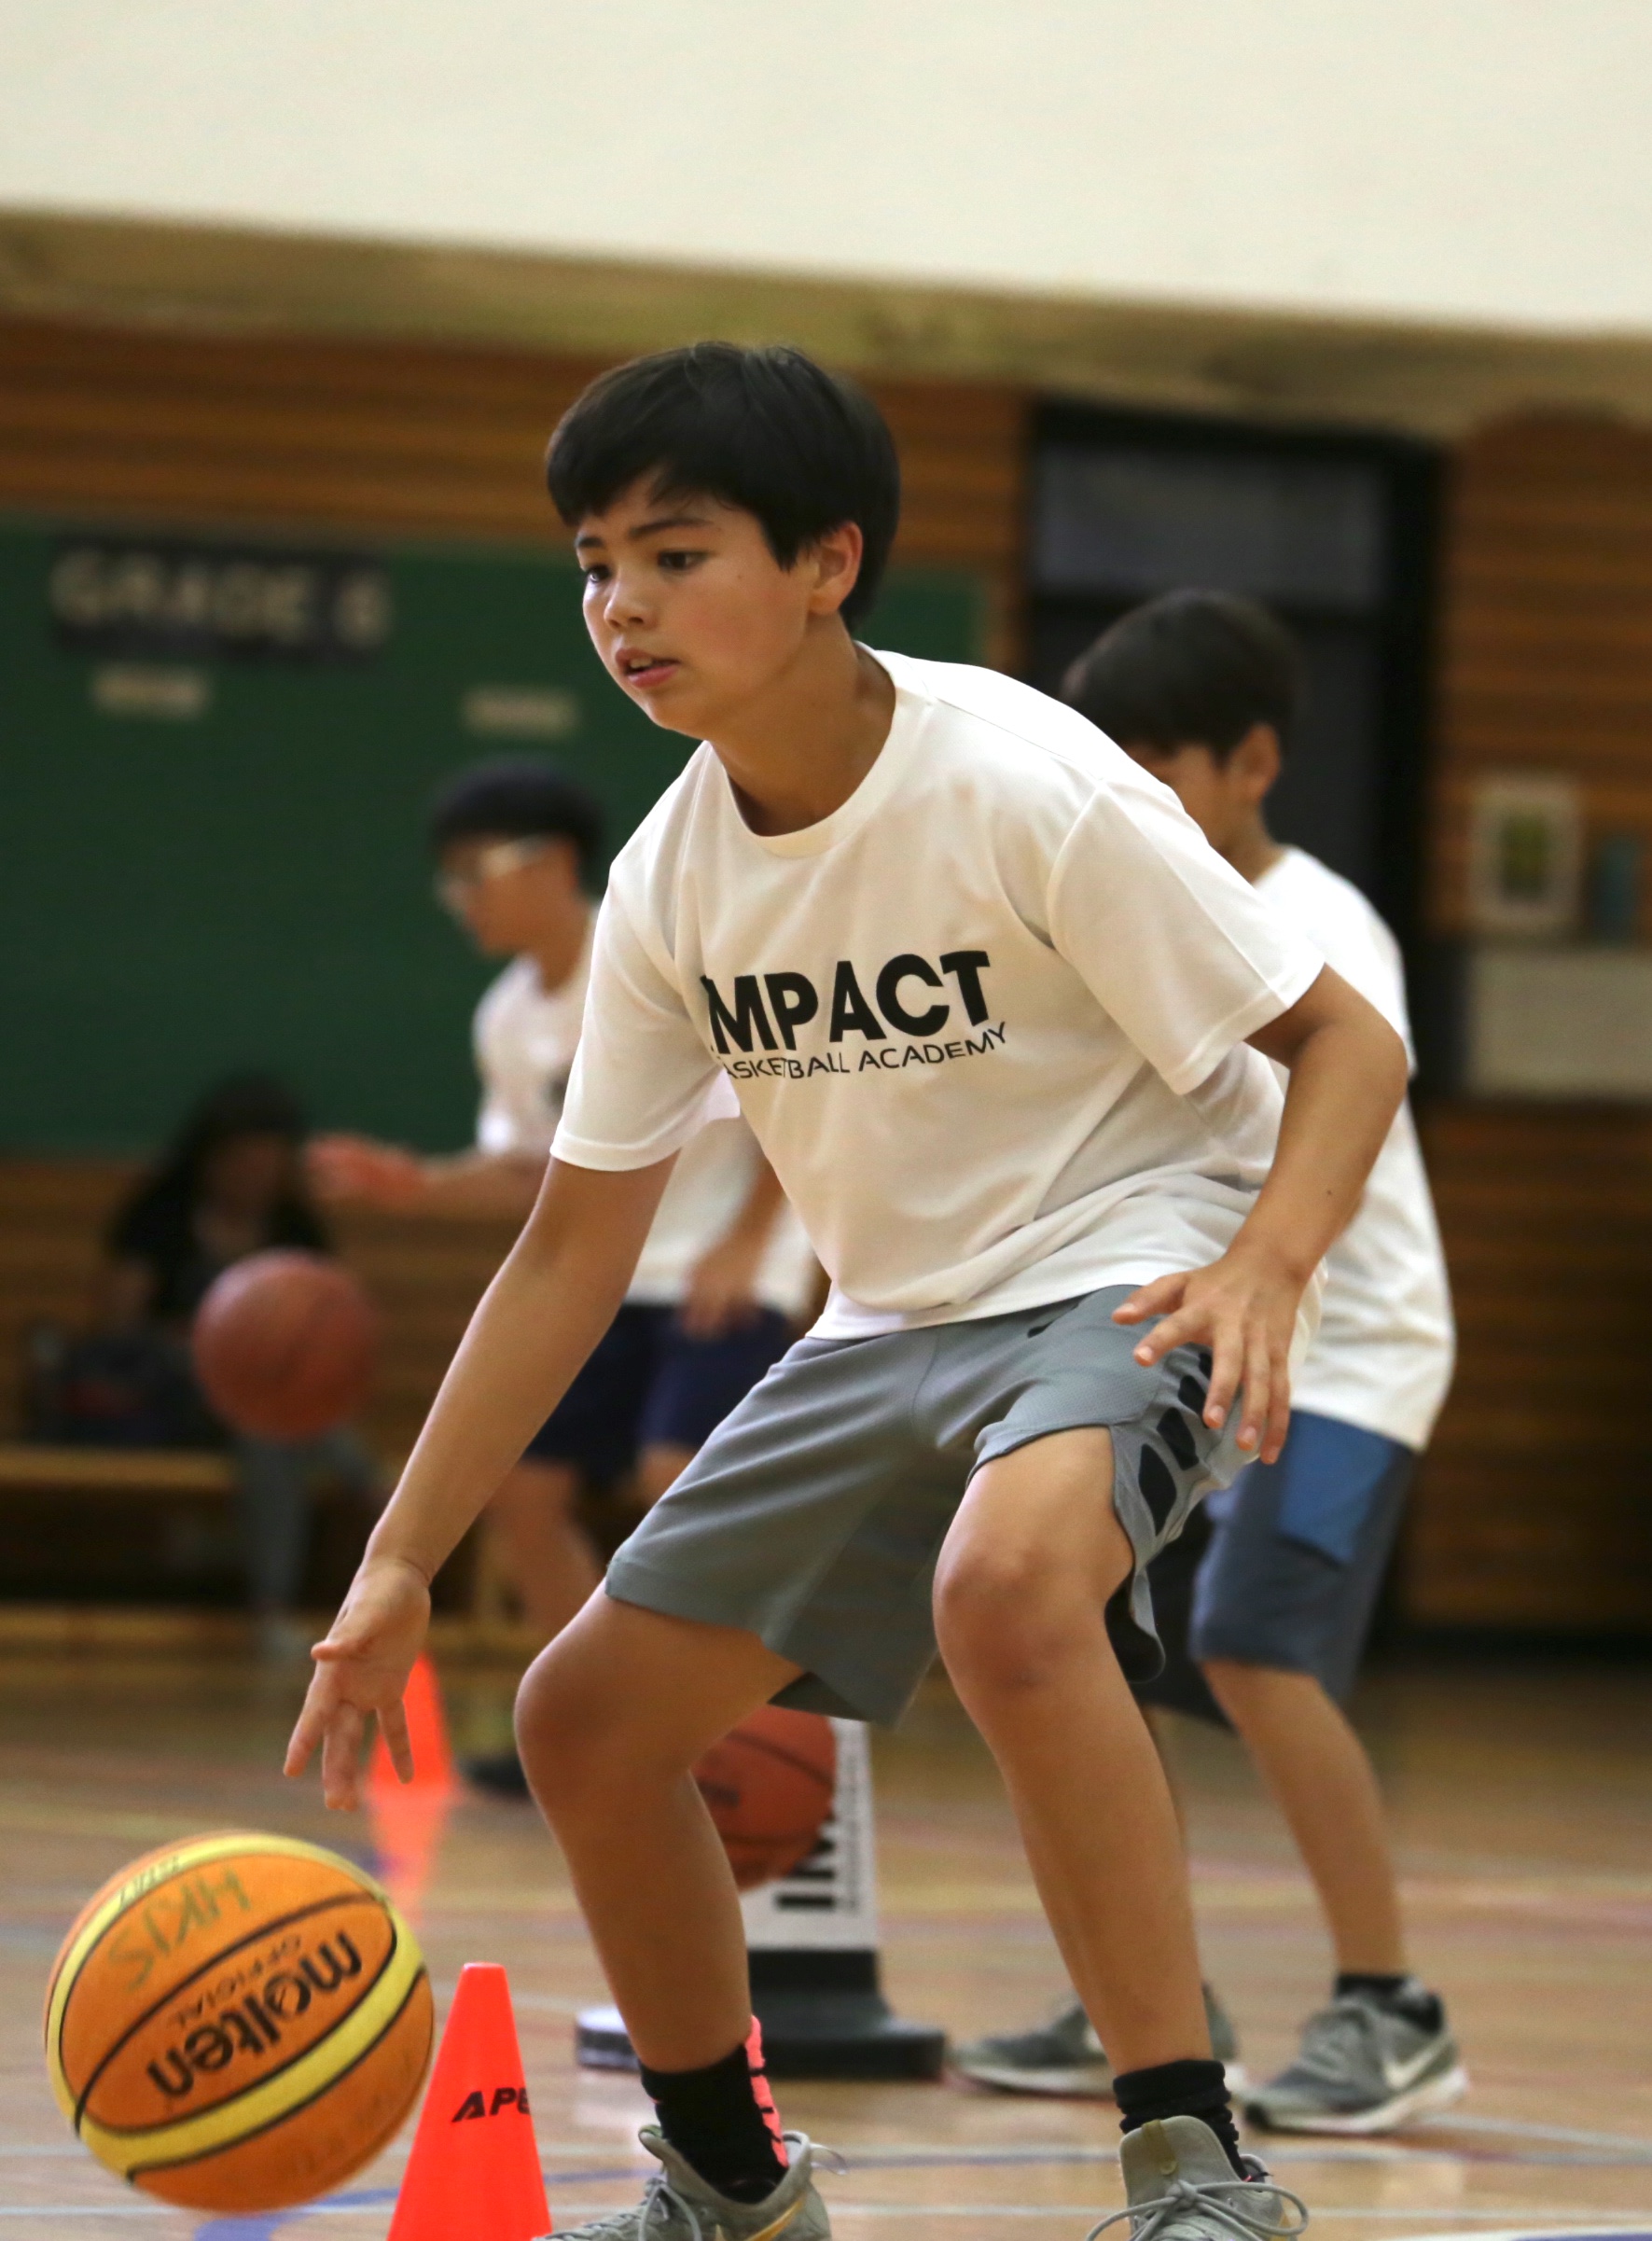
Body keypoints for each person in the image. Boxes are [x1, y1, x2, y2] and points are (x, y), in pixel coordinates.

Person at [287, 343, 1409, 2241]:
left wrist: (1265, 1265)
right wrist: (401, 1554)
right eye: (590, 565)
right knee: (582, 1721)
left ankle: (1190, 2158)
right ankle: (731, 2176)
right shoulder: (665, 883)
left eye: (672, 553)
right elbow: (568, 1246)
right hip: (888, 1316)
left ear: (827, 561)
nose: (620, 606)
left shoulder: (1023, 777)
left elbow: (1344, 1040)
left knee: (1009, 1592)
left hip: (1124, 1250)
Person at [953, 592, 1463, 2135]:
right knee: (1113, 1657)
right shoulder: (1125, 902)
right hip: (1193, 1331)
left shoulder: (1318, 923)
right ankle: (1163, 2001)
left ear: (1252, 762)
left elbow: (1309, 1137)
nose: (1123, 791)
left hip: (1338, 1348)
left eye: (1154, 760)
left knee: (1253, 1650)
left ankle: (1391, 2005)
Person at [310, 758, 814, 1790]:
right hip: (612, 1271)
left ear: (553, 863)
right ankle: (603, 1719)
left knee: (673, 1476)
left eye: (475, 870)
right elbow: (536, 1171)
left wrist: (750, 1237)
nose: (460, 897)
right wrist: (419, 1186)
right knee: (523, 1495)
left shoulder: (655, 946)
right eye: (447, 877)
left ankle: (729, 1733)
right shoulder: (504, 1018)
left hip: (725, 1266)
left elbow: (786, 1086)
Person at [102, 1073, 379, 1643]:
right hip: (166, 1394)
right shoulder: (160, 1216)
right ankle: (371, 1486)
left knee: (269, 1421)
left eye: (269, 1163)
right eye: (243, 1160)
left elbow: (328, 1333)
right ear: (210, 1158)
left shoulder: (295, 1228)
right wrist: (196, 1342)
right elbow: (117, 1328)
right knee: (269, 1411)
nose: (255, 1175)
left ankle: (274, 1605)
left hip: (259, 1404)